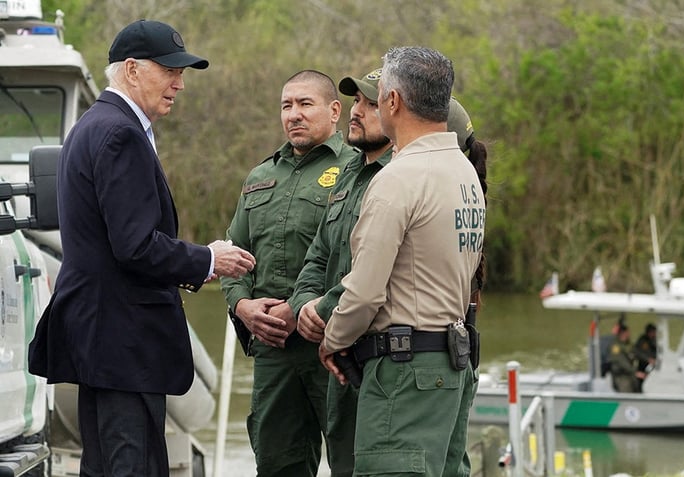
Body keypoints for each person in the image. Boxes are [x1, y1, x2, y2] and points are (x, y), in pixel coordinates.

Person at [26, 20, 256, 476]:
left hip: (100, 342)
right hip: (121, 343)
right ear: (131, 70)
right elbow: (134, 247)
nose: (180, 83)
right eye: (169, 70)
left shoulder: (93, 126)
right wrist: (210, 258)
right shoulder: (120, 134)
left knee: (107, 466)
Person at [290, 66, 488, 475]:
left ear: (394, 103)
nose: (360, 109)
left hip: (399, 366)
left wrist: (332, 336)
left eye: (372, 99)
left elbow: (364, 289)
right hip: (434, 361)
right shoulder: (462, 175)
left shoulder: (400, 178)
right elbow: (322, 255)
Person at [221, 69, 357, 476]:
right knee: (278, 464)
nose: (293, 114)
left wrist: (301, 311)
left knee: (351, 461)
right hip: (273, 351)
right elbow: (233, 255)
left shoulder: (358, 169)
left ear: (334, 111)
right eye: (286, 106)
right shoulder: (261, 177)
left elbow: (362, 260)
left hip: (333, 346)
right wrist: (242, 305)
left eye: (305, 104)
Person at [607, 324, 646, 393]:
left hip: (630, 373)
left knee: (638, 389)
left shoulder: (627, 344)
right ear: (622, 333)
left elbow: (636, 352)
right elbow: (622, 362)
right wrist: (635, 372)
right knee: (627, 393)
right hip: (622, 376)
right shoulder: (615, 347)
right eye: (627, 332)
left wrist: (649, 359)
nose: (629, 334)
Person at [634, 323, 657, 391]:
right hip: (643, 365)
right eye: (652, 332)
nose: (654, 334)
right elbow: (637, 352)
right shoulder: (642, 340)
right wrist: (648, 359)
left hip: (653, 366)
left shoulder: (655, 340)